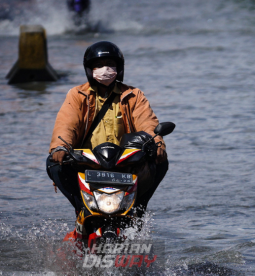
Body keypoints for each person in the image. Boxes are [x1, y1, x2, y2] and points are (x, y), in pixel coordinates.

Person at [46, 41, 168, 217]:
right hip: (87, 163)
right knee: (53, 164)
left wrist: (157, 143)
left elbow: (147, 123)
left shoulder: (134, 95)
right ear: (89, 69)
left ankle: (139, 209)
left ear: (119, 68)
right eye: (99, 65)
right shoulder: (77, 94)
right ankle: (81, 208)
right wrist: (60, 147)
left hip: (125, 164)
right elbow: (66, 124)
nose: (105, 69)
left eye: (110, 65)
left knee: (161, 161)